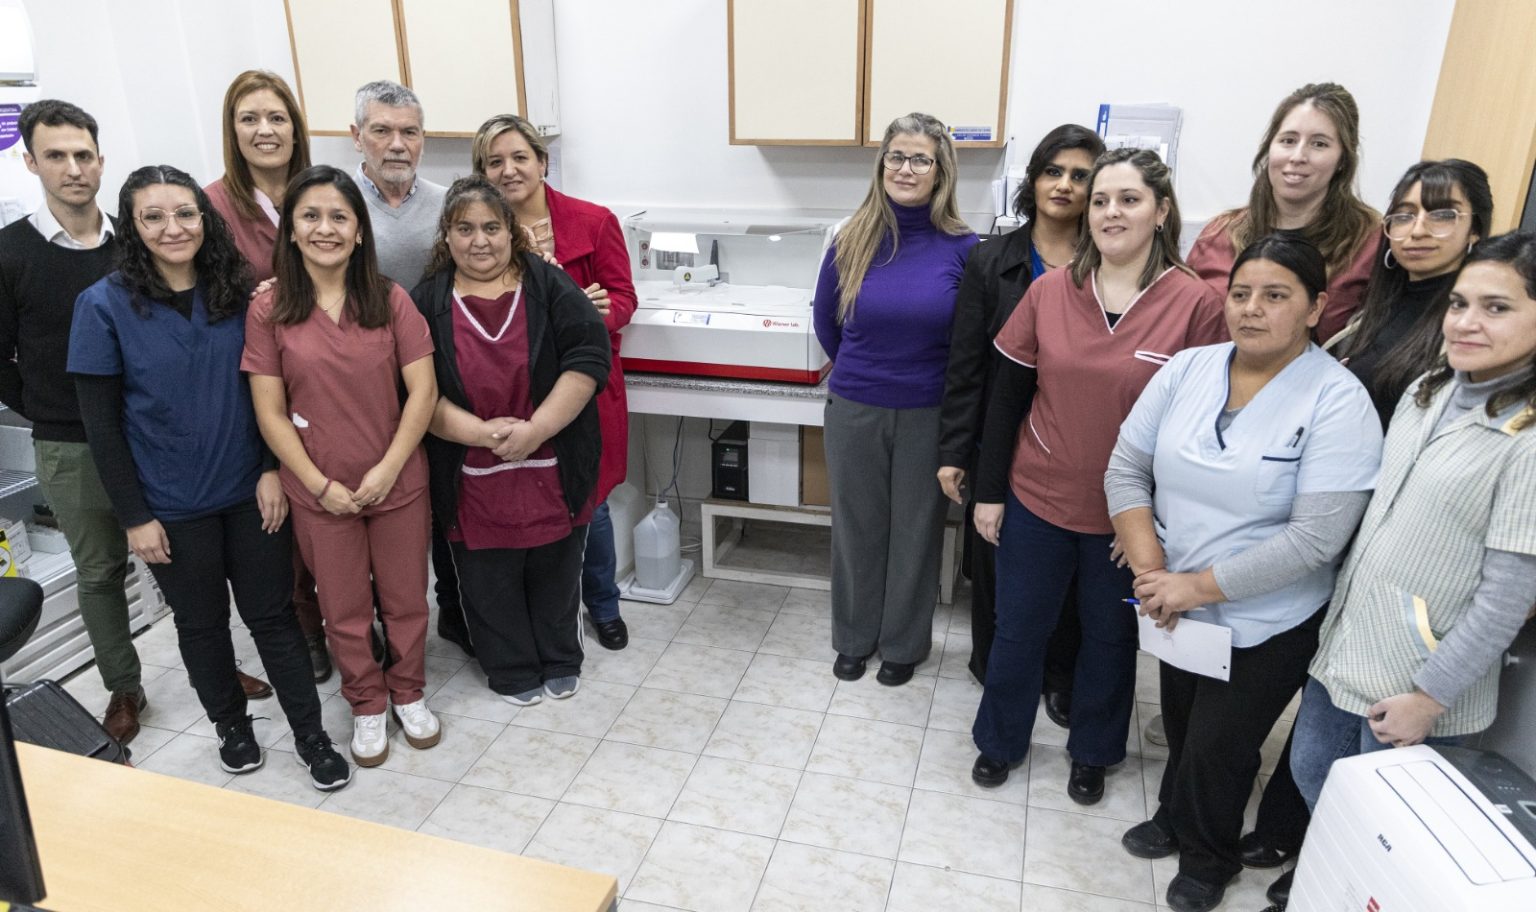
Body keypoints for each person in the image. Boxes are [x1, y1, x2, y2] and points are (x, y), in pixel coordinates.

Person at [1108, 235, 1382, 912]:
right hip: (1175, 602)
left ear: (1316, 308)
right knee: (1182, 723)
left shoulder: (1337, 400)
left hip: (1271, 616)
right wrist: (1153, 573)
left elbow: (1316, 538)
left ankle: (1209, 859)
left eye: (1275, 295)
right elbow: (1126, 467)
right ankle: (1175, 815)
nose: (1251, 308)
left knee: (1220, 747)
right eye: (1240, 293)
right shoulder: (1188, 368)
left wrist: (1192, 586)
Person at [67, 165, 351, 789]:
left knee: (273, 617)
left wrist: (272, 469)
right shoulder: (103, 307)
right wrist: (135, 517)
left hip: (251, 492)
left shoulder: (240, 294)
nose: (173, 228)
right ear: (132, 227)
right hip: (171, 505)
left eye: (185, 213)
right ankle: (232, 727)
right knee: (201, 626)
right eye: (153, 217)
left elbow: (269, 394)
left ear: (205, 218)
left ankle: (312, 735)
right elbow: (102, 429)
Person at [968, 148, 1226, 803]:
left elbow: (1197, 432)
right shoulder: (1051, 291)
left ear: (1161, 212)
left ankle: (1093, 753)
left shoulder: (1194, 304)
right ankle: (999, 741)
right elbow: (1007, 397)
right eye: (1102, 200)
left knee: (1110, 639)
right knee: (1018, 629)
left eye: (1129, 200)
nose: (1112, 212)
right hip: (1038, 496)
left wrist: (1153, 524)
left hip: (1125, 519)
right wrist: (990, 492)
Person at [1291, 230, 1536, 832]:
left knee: (1384, 830)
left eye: (1496, 308)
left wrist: (1429, 698)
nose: (1466, 322)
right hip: (1348, 648)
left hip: (1418, 682)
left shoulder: (1527, 441)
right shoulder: (1431, 390)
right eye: (1459, 304)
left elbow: (1507, 598)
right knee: (1313, 776)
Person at [243, 165, 440, 768]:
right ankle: (367, 702)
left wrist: (388, 469)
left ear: (359, 231)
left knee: (406, 600)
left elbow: (423, 392)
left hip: (396, 482)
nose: (324, 228)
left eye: (339, 217)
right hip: (320, 490)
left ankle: (408, 692)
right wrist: (317, 483)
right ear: (291, 229)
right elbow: (270, 412)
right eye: (311, 216)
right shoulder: (270, 309)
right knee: (344, 608)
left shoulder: (390, 299)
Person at [411, 176, 609, 704]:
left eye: (492, 227)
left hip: (553, 459)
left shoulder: (548, 285)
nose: (480, 240)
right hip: (469, 470)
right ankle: (511, 668)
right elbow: (416, 391)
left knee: (555, 569)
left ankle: (560, 657)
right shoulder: (426, 301)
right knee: (487, 580)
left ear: (511, 232)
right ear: (446, 235)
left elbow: (588, 358)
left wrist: (536, 430)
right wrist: (481, 433)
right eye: (465, 229)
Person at [938, 124, 1105, 714]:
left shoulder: (1111, 264)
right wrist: (955, 450)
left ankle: (1060, 676)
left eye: (1080, 176)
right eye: (1052, 171)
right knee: (996, 559)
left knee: (1069, 571)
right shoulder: (991, 260)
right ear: (1032, 180)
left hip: (1078, 441)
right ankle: (996, 669)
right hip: (1000, 437)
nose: (1064, 185)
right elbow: (966, 366)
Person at [811, 112, 977, 687]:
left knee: (916, 531)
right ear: (882, 164)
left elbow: (968, 342)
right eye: (896, 157)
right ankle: (854, 638)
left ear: (940, 170)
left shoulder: (964, 247)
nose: (906, 169)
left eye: (920, 159)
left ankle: (904, 644)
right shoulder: (850, 238)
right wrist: (868, 372)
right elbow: (827, 324)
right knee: (855, 528)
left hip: (929, 412)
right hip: (856, 406)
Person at [1, 100, 147, 744]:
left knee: (185, 557)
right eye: (56, 155)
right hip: (69, 443)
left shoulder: (135, 242)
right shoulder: (10, 252)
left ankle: (216, 666)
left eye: (83, 154)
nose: (73, 168)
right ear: (31, 162)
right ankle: (124, 687)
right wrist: (48, 408)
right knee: (100, 570)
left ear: (101, 160)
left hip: (148, 434)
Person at [472, 113, 636, 651]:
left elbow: (624, 298)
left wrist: (593, 313)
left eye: (520, 157)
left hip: (583, 385)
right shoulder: (479, 234)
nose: (509, 170)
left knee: (591, 501)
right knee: (530, 500)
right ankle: (544, 614)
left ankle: (603, 604)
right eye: (494, 162)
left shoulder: (594, 221)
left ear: (543, 162)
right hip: (514, 390)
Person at [203, 70, 331, 684]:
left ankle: (349, 616)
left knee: (338, 504)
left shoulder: (319, 190)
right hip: (257, 382)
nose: (265, 130)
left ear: (295, 128)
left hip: (329, 378)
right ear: (232, 131)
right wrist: (255, 299)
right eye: (249, 118)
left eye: (277, 117)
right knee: (284, 514)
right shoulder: (212, 206)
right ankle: (307, 627)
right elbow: (202, 301)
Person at [1187, 82, 1380, 345]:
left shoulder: (1370, 244)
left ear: (1343, 160)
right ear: (1269, 147)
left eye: (1319, 144)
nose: (1298, 156)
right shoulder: (1219, 235)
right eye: (1288, 140)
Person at [1332, 160, 1493, 427]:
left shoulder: (1472, 325)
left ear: (1474, 230)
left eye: (1442, 215)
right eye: (1404, 216)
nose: (1417, 231)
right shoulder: (1372, 309)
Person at [350, 81, 447, 287]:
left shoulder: (449, 203)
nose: (397, 145)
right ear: (357, 137)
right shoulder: (337, 206)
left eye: (409, 132)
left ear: (422, 139)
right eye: (382, 131)